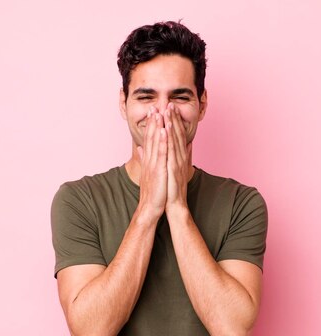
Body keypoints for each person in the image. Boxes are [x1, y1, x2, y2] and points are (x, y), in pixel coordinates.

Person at [51, 21, 268, 335]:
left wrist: (177, 207)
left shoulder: (242, 203)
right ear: (123, 103)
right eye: (145, 97)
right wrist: (148, 211)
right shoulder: (78, 200)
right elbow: (90, 329)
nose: (163, 113)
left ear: (202, 104)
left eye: (179, 97)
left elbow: (231, 326)